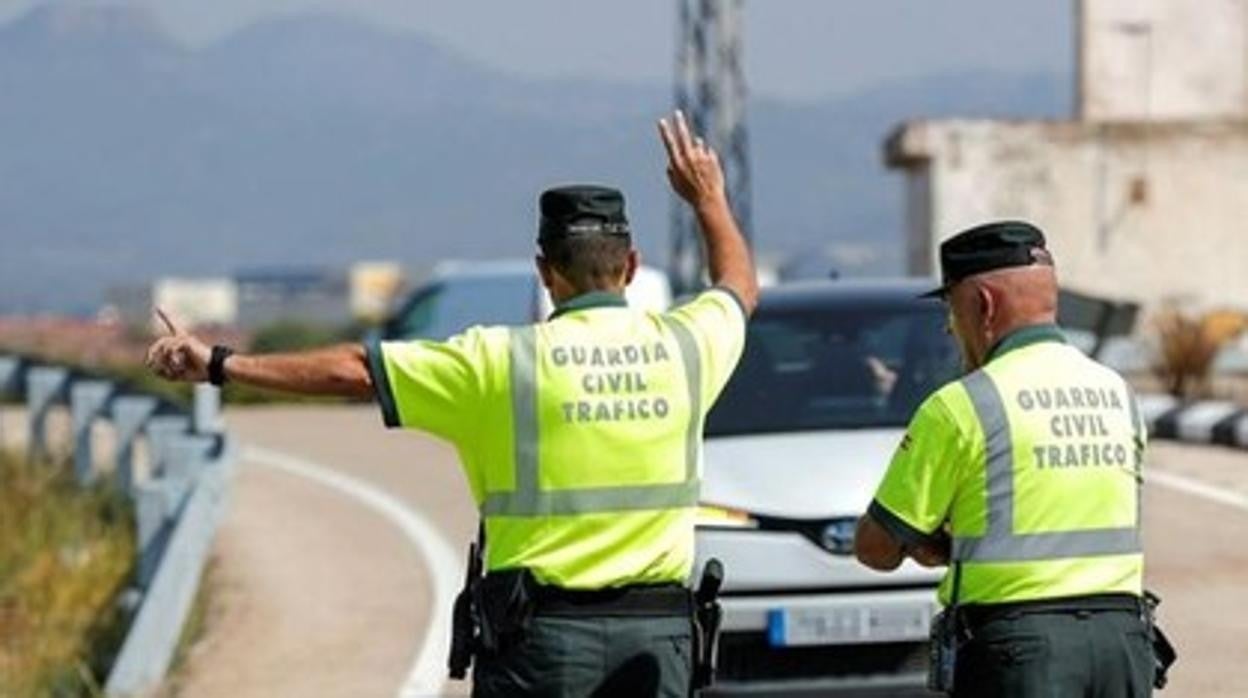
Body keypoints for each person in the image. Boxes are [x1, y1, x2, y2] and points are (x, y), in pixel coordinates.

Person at [145, 110, 758, 698]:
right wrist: (707, 199)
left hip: (543, 644)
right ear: (631, 266)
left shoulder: (498, 362)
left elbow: (356, 370)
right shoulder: (688, 347)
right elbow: (737, 288)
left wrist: (220, 363)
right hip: (656, 640)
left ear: (545, 272)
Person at [853, 221, 1161, 697]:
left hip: (1021, 652)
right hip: (1122, 644)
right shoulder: (1118, 393)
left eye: (950, 308)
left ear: (983, 305)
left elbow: (876, 548)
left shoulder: (961, 406)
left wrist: (935, 544)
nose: (949, 326)